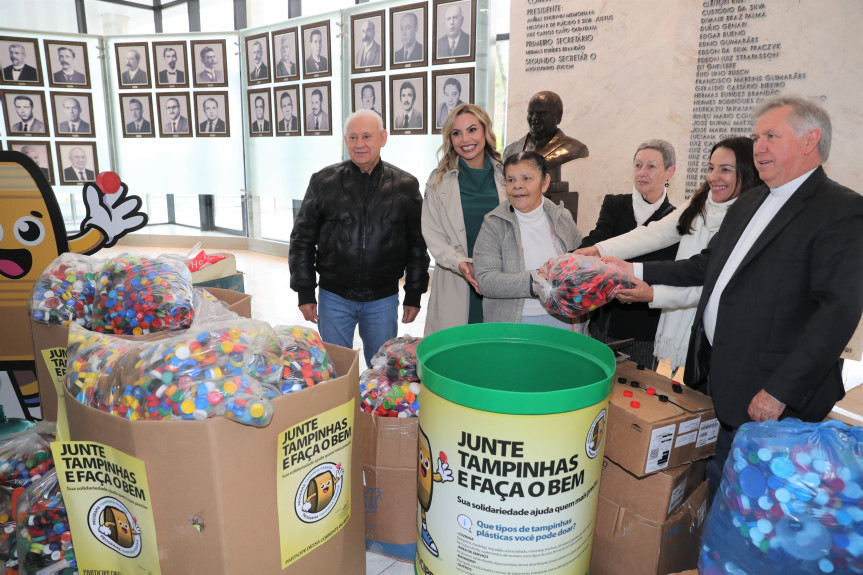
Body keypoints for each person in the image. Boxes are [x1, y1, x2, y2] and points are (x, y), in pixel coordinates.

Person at [617, 96, 863, 505]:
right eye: (755, 137)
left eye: (771, 136)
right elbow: (706, 265)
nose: (758, 147)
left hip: (771, 394)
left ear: (810, 140)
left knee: (758, 504)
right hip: (721, 378)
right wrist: (633, 271)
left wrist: (779, 391)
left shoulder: (840, 209)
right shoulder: (750, 201)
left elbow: (836, 313)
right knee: (720, 483)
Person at [576, 137, 763, 373]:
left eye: (725, 170)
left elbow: (701, 273)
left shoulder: (747, 218)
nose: (713, 177)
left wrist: (646, 285)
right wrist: (599, 249)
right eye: (711, 168)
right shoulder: (700, 203)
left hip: (722, 335)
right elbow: (654, 234)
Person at [289, 109, 429, 364]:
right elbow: (302, 239)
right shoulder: (323, 181)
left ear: (383, 138)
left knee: (381, 371)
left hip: (383, 300)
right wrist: (305, 291)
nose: (360, 144)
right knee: (336, 368)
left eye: (367, 136)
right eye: (353, 137)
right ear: (345, 142)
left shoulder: (405, 186)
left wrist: (414, 294)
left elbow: (417, 245)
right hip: (334, 298)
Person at [580, 139, 679, 367]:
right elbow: (598, 239)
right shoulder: (615, 204)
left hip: (643, 324)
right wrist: (575, 255)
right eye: (637, 165)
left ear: (670, 172)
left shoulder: (675, 219)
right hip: (605, 316)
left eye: (651, 166)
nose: (642, 172)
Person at [473, 151, 586, 331]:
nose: (517, 186)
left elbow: (582, 263)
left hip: (565, 322)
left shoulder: (562, 217)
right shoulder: (493, 223)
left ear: (545, 182)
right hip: (514, 324)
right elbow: (486, 281)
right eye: (511, 180)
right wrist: (535, 282)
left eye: (526, 178)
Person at [421, 104, 506, 335]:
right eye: (456, 133)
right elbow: (432, 234)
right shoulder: (438, 180)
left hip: (501, 277)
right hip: (457, 277)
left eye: (472, 130)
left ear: (485, 132)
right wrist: (459, 262)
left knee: (496, 349)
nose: (465, 139)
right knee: (456, 354)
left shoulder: (506, 175)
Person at [503, 91, 589, 182]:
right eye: (531, 113)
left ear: (558, 115)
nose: (534, 118)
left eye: (541, 114)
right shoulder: (511, 150)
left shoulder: (574, 148)